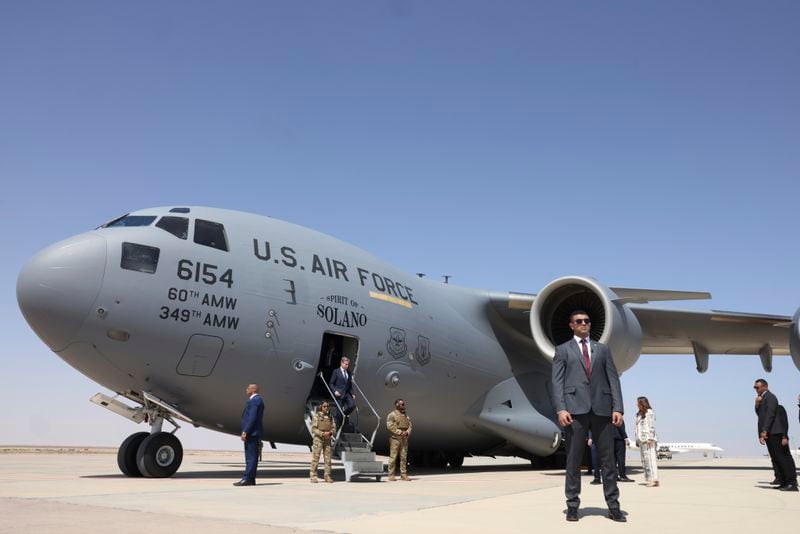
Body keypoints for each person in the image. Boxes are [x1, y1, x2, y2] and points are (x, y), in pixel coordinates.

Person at [551, 310, 626, 523]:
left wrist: (618, 408)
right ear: (571, 325)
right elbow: (557, 382)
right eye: (579, 321)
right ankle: (573, 505)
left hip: (602, 409)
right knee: (573, 461)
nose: (584, 324)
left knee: (608, 461)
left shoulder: (602, 350)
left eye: (587, 321)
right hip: (574, 410)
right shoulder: (563, 350)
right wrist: (561, 409)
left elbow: (613, 379)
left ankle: (613, 505)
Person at [754, 379, 798, 491]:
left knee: (782, 458)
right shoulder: (762, 399)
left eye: (757, 387)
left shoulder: (770, 397)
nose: (756, 390)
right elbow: (761, 415)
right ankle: (783, 482)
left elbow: (770, 415)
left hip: (775, 432)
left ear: (765, 387)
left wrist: (765, 430)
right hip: (770, 433)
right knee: (776, 458)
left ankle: (791, 483)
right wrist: (757, 404)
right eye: (755, 387)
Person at [234, 383, 265, 486]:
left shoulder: (255, 400)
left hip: (252, 433)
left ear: (253, 390)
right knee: (251, 456)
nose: (246, 390)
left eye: (248, 388)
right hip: (253, 432)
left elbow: (252, 417)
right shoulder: (256, 400)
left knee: (250, 457)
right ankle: (250, 479)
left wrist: (245, 431)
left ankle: (247, 479)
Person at [309, 400, 336, 483]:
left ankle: (327, 476)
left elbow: (334, 427)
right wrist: (322, 433)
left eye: (327, 406)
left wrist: (331, 432)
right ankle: (313, 476)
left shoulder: (330, 417)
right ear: (321, 407)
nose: (326, 408)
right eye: (324, 406)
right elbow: (313, 429)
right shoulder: (317, 416)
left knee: (328, 459)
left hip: (328, 439)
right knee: (315, 458)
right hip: (318, 439)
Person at [634, 396, 659, 487]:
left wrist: (650, 438)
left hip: (648, 440)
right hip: (641, 440)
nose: (636, 404)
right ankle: (649, 479)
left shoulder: (649, 413)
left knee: (651, 459)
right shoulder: (639, 414)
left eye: (638, 403)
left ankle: (654, 479)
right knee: (645, 461)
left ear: (642, 403)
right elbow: (637, 428)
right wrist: (637, 439)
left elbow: (651, 426)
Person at [329, 356, 358, 432]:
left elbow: (349, 384)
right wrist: (335, 391)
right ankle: (338, 428)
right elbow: (331, 383)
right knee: (338, 413)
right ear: (341, 363)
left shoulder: (348, 372)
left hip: (347, 393)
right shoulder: (336, 371)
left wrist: (352, 393)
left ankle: (344, 414)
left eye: (348, 364)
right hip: (339, 394)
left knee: (352, 405)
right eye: (345, 364)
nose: (347, 366)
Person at [386, 398, 412, 481]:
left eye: (404, 404)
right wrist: (400, 432)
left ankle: (403, 474)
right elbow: (390, 426)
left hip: (404, 438)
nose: (404, 406)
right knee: (393, 456)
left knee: (403, 456)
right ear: (397, 405)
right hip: (395, 438)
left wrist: (407, 432)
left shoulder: (406, 416)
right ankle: (391, 474)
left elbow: (410, 425)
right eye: (402, 404)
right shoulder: (392, 415)